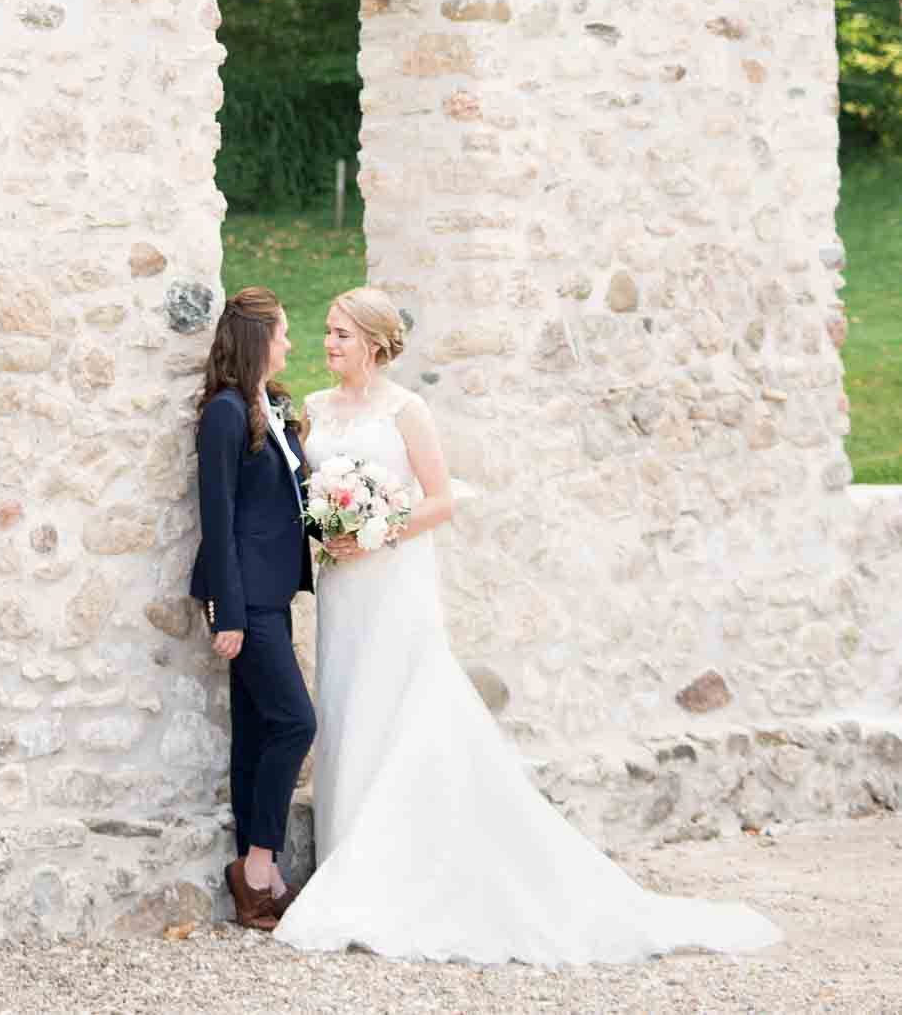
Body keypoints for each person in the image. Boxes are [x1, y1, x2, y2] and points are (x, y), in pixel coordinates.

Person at [275, 286, 783, 965]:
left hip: (392, 578)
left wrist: (376, 528)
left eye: (339, 334)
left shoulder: (406, 410)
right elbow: (306, 491)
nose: (327, 343)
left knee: (399, 700)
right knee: (346, 703)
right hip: (343, 584)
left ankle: (406, 863)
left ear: (371, 341)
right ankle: (349, 853)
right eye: (327, 332)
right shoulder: (312, 409)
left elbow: (440, 501)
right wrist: (328, 524)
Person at [190, 285, 316, 930]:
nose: (291, 344)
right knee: (298, 723)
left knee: (260, 732)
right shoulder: (225, 413)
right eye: (284, 332)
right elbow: (219, 516)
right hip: (248, 604)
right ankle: (259, 865)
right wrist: (227, 613)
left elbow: (288, 503)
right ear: (257, 339)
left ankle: (254, 876)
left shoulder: (273, 407)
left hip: (274, 596)